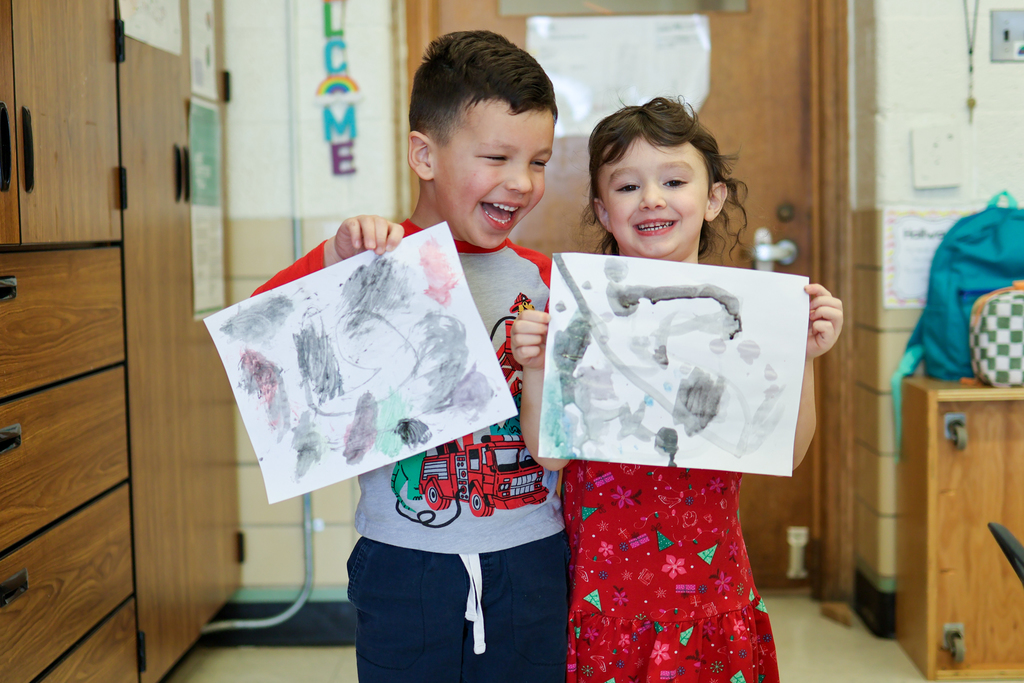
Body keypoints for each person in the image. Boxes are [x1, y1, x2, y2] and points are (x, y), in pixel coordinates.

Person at [254, 30, 568, 683]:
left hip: (532, 556)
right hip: (402, 560)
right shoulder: (374, 263)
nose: (521, 182)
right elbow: (262, 338)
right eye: (497, 156)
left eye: (538, 161)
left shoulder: (546, 281)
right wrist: (338, 258)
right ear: (424, 155)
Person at [510, 97, 844, 683]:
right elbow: (550, 453)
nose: (652, 199)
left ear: (713, 198)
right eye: (627, 186)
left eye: (673, 180)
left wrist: (806, 359)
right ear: (602, 209)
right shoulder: (577, 316)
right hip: (602, 607)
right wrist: (537, 367)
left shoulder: (750, 321)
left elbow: (786, 453)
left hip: (711, 602)